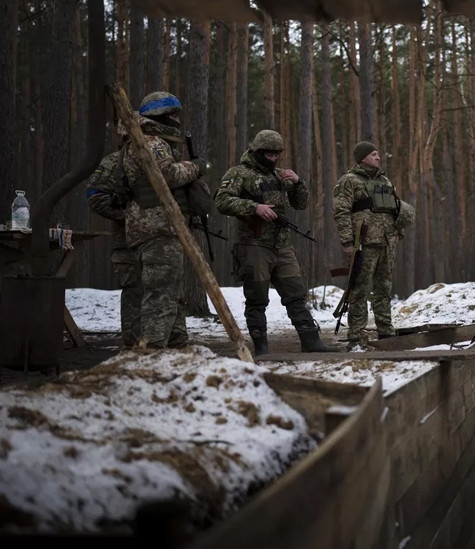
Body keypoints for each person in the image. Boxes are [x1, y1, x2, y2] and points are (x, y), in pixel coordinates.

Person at [215, 130, 336, 355]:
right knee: (257, 297)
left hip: (282, 246)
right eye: (269, 155)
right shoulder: (239, 173)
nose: (273, 159)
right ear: (257, 151)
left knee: (296, 293)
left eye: (276, 155)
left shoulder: (280, 176)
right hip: (254, 245)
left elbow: (301, 204)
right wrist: (254, 208)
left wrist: (299, 182)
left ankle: (310, 340)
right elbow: (221, 201)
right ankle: (261, 347)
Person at [123, 91, 206, 348]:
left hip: (154, 227)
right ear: (160, 116)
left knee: (170, 291)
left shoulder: (140, 141)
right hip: (158, 227)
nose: (176, 120)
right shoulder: (153, 143)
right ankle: (153, 350)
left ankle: (176, 344)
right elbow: (167, 176)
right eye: (172, 115)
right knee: (161, 295)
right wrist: (196, 167)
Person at [333, 141, 414, 345]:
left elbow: (395, 208)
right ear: (362, 158)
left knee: (383, 289)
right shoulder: (348, 181)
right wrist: (347, 241)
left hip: (387, 242)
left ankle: (386, 331)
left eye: (378, 154)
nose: (378, 157)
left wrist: (398, 232)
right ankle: (357, 334)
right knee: (359, 289)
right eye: (374, 154)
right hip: (364, 243)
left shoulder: (385, 181)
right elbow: (341, 212)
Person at [86, 115, 142, 348]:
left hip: (157, 241)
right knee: (133, 292)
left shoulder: (155, 160)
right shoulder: (113, 163)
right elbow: (95, 197)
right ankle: (132, 346)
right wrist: (128, 217)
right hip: (127, 241)